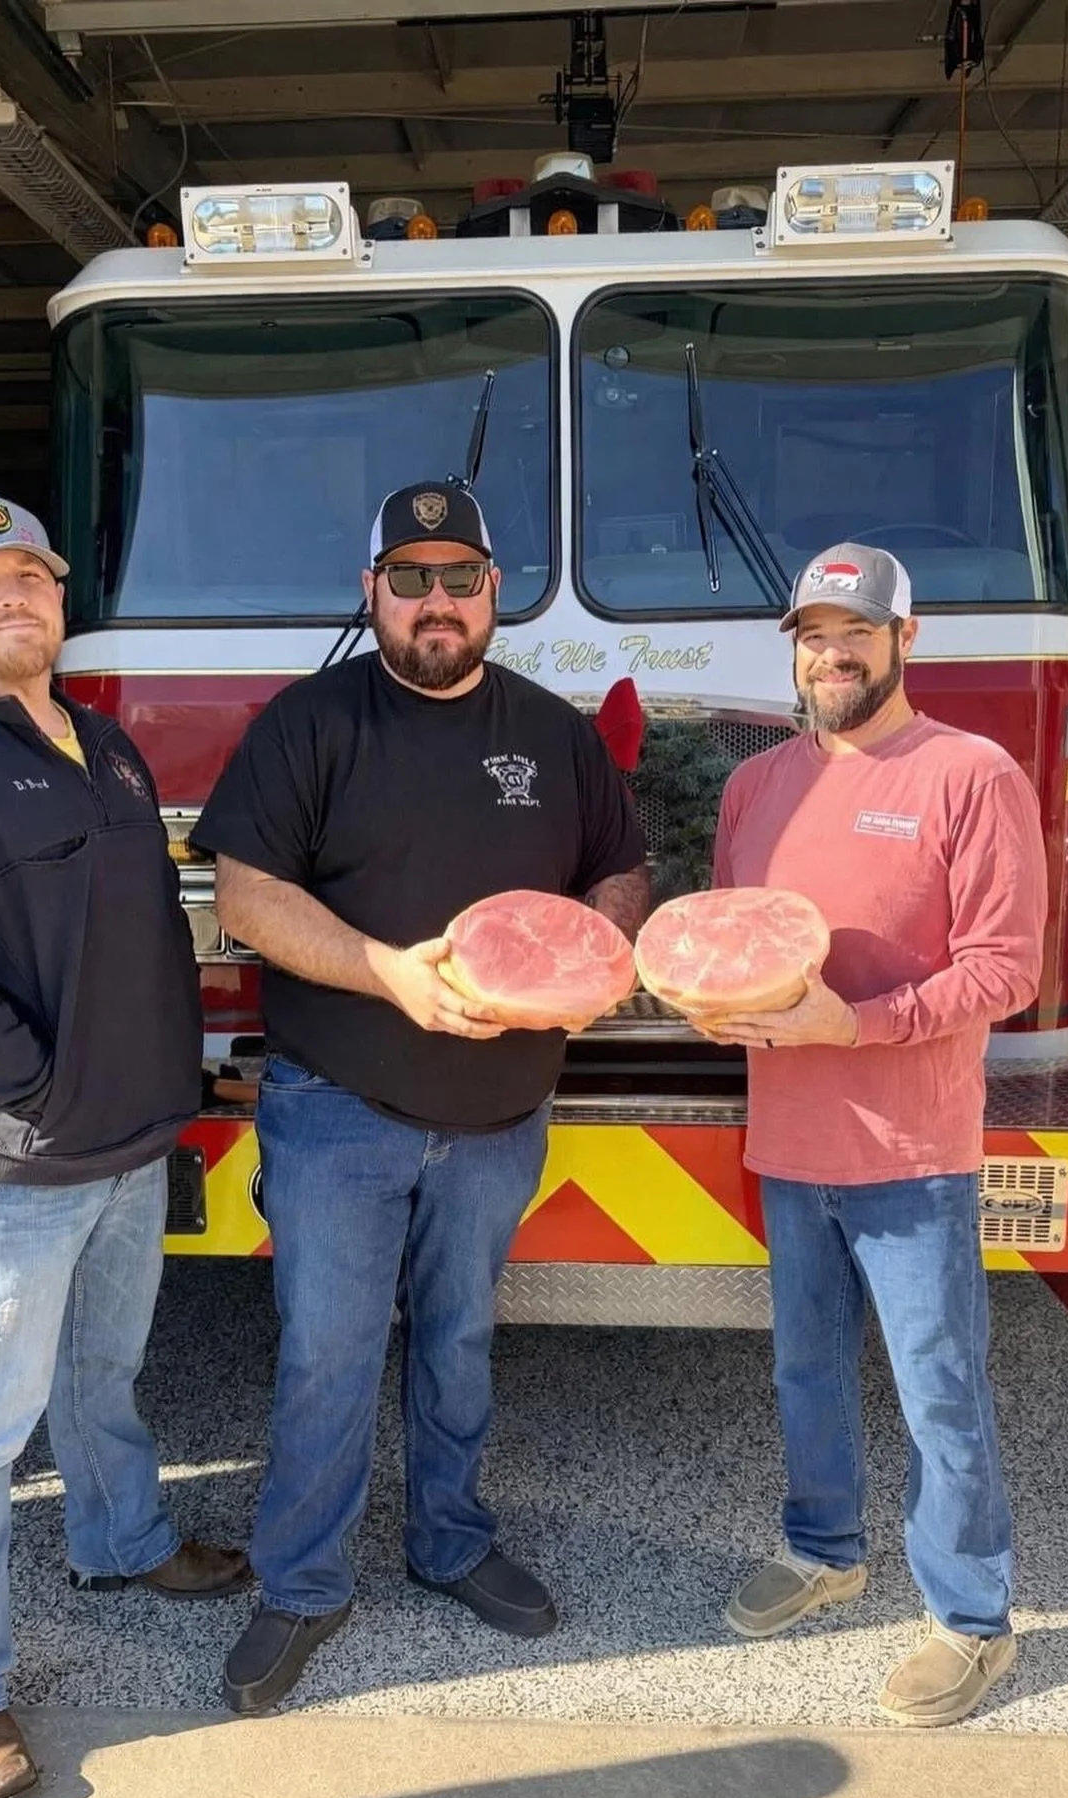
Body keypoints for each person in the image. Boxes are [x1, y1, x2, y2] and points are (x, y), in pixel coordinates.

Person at [194, 481, 650, 1714]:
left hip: (502, 1117)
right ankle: (300, 1583)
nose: (435, 601)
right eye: (410, 578)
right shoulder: (309, 723)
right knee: (329, 1358)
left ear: (496, 592)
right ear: (372, 593)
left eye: (459, 577)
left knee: (456, 1348)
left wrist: (598, 955)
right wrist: (384, 970)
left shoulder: (553, 733)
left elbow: (619, 866)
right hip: (339, 1105)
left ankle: (448, 1542)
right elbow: (246, 895)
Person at [0, 497, 250, 1798]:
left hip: (131, 1149)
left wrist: (152, 1093)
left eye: (36, 576)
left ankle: (120, 1544)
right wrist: (42, 1097)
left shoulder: (106, 748)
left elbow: (137, 939)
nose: (17, 596)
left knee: (103, 1374)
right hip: (12, 1170)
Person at [700, 543, 1045, 1727]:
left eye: (855, 629)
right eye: (811, 632)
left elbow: (1008, 966)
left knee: (938, 1388)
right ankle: (824, 1548)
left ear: (906, 638)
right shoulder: (757, 788)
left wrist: (857, 1021)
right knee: (805, 1371)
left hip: (912, 1153)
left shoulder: (971, 773)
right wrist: (717, 1003)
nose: (830, 651)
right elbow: (738, 939)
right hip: (788, 1144)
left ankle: (973, 1618)